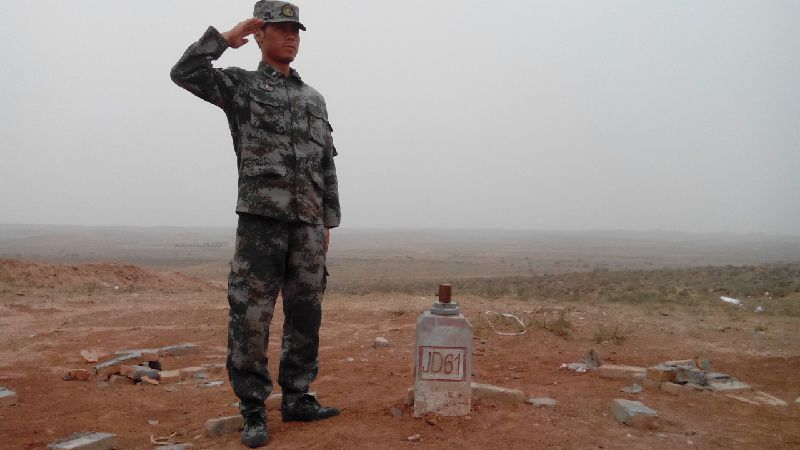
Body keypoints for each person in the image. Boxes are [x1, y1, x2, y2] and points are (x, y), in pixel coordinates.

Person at [170, 1, 341, 447]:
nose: (291, 37)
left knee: (306, 314)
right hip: (261, 223)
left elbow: (326, 162)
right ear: (260, 35)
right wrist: (224, 39)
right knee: (250, 317)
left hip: (307, 225)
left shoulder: (313, 98)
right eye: (281, 29)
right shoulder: (241, 86)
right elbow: (184, 72)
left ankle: (298, 397)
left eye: (296, 30)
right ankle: (252, 408)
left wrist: (328, 221)